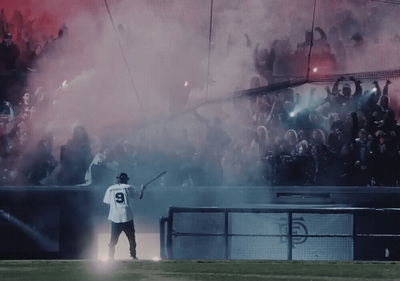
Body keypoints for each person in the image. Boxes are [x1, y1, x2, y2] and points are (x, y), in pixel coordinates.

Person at [103, 172, 146, 260]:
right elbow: (139, 196)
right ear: (125, 180)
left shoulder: (110, 188)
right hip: (127, 216)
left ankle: (110, 257)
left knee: (113, 239)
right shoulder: (128, 187)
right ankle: (133, 256)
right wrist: (142, 189)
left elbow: (107, 203)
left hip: (115, 216)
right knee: (131, 238)